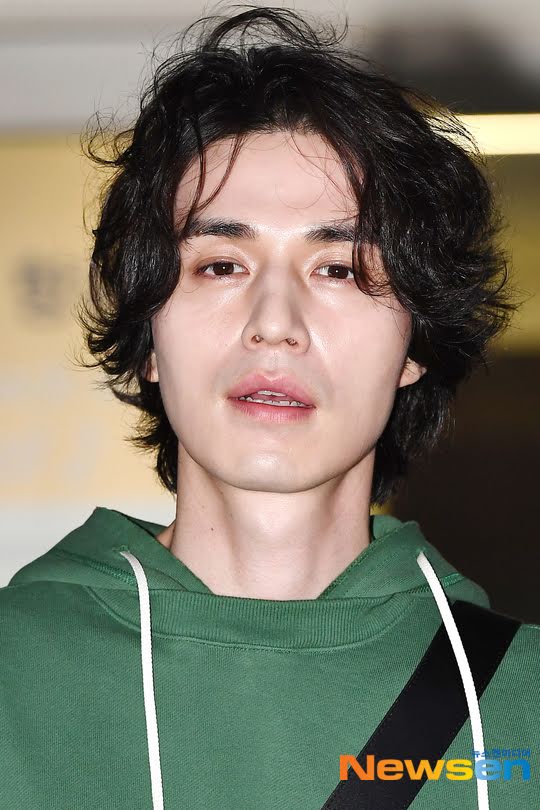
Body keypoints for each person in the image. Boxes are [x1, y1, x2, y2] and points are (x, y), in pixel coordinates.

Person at [1, 6, 538, 810]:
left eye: (340, 269)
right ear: (149, 337)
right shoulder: (18, 673)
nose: (275, 324)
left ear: (415, 344)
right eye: (221, 265)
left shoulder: (520, 701)